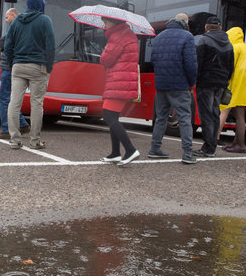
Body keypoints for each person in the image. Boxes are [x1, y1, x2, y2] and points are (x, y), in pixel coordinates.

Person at [4, 0, 55, 150]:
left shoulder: (17, 21)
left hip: (18, 66)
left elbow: (8, 45)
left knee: (14, 103)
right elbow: (50, 46)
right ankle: (34, 141)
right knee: (37, 104)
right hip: (38, 67)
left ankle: (14, 140)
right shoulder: (45, 20)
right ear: (41, 5)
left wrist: (14, 63)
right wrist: (49, 67)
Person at [149, 14, 198, 164]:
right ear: (185, 23)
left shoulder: (159, 37)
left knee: (161, 118)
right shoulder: (187, 37)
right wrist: (191, 83)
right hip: (180, 85)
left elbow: (153, 61)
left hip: (161, 84)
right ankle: (188, 153)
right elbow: (191, 64)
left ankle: (155, 149)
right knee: (184, 118)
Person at [99, 16, 140, 166]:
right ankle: (115, 153)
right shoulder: (127, 34)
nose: (104, 25)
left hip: (119, 82)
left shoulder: (118, 36)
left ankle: (130, 149)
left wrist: (104, 51)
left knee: (108, 115)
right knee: (113, 117)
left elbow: (106, 60)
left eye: (106, 22)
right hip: (123, 81)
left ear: (113, 22)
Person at [193, 16, 234, 157]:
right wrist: (224, 80)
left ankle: (208, 147)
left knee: (205, 114)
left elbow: (197, 63)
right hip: (220, 83)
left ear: (206, 27)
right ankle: (212, 145)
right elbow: (231, 66)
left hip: (206, 82)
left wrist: (195, 80)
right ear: (220, 27)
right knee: (215, 113)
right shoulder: (229, 44)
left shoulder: (204, 40)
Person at [0, 8, 30, 139]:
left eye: (7, 17)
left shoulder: (15, 26)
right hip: (18, 66)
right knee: (11, 98)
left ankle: (6, 128)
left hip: (9, 67)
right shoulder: (25, 26)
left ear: (13, 15)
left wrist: (2, 43)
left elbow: (4, 42)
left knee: (4, 98)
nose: (6, 20)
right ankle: (22, 124)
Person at [217, 26, 246, 153]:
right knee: (240, 116)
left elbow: (230, 67)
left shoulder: (234, 47)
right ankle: (238, 143)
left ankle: (214, 137)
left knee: (224, 110)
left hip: (235, 85)